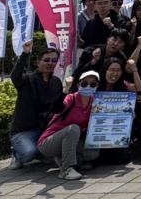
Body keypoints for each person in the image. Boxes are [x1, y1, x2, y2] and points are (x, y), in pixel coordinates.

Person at [9, 41, 64, 169]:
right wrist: (25, 54)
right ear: (38, 62)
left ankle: (40, 152)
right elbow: (15, 77)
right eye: (47, 60)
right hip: (24, 130)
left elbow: (57, 107)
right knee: (28, 153)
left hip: (45, 130)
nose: (50, 63)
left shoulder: (56, 82)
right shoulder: (27, 80)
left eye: (54, 60)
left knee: (52, 156)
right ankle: (17, 153)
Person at [38, 70, 100, 180]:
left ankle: (64, 159)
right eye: (84, 84)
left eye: (93, 84)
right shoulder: (71, 98)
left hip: (71, 141)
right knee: (73, 128)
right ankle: (66, 169)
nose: (88, 87)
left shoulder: (95, 102)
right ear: (78, 85)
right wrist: (66, 90)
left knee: (93, 153)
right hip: (49, 142)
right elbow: (56, 108)